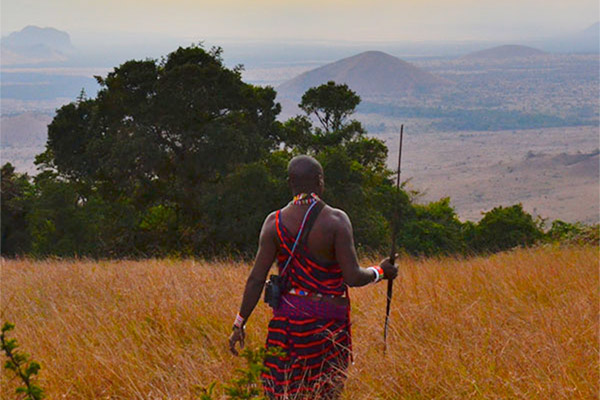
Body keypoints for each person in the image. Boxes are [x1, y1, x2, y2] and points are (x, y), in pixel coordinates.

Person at [228, 155, 397, 399]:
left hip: (287, 325)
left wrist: (239, 322)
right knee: (325, 391)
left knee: (283, 391)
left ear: (290, 182)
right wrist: (380, 272)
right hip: (327, 328)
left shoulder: (272, 223)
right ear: (319, 181)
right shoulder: (337, 220)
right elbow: (352, 276)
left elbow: (256, 279)